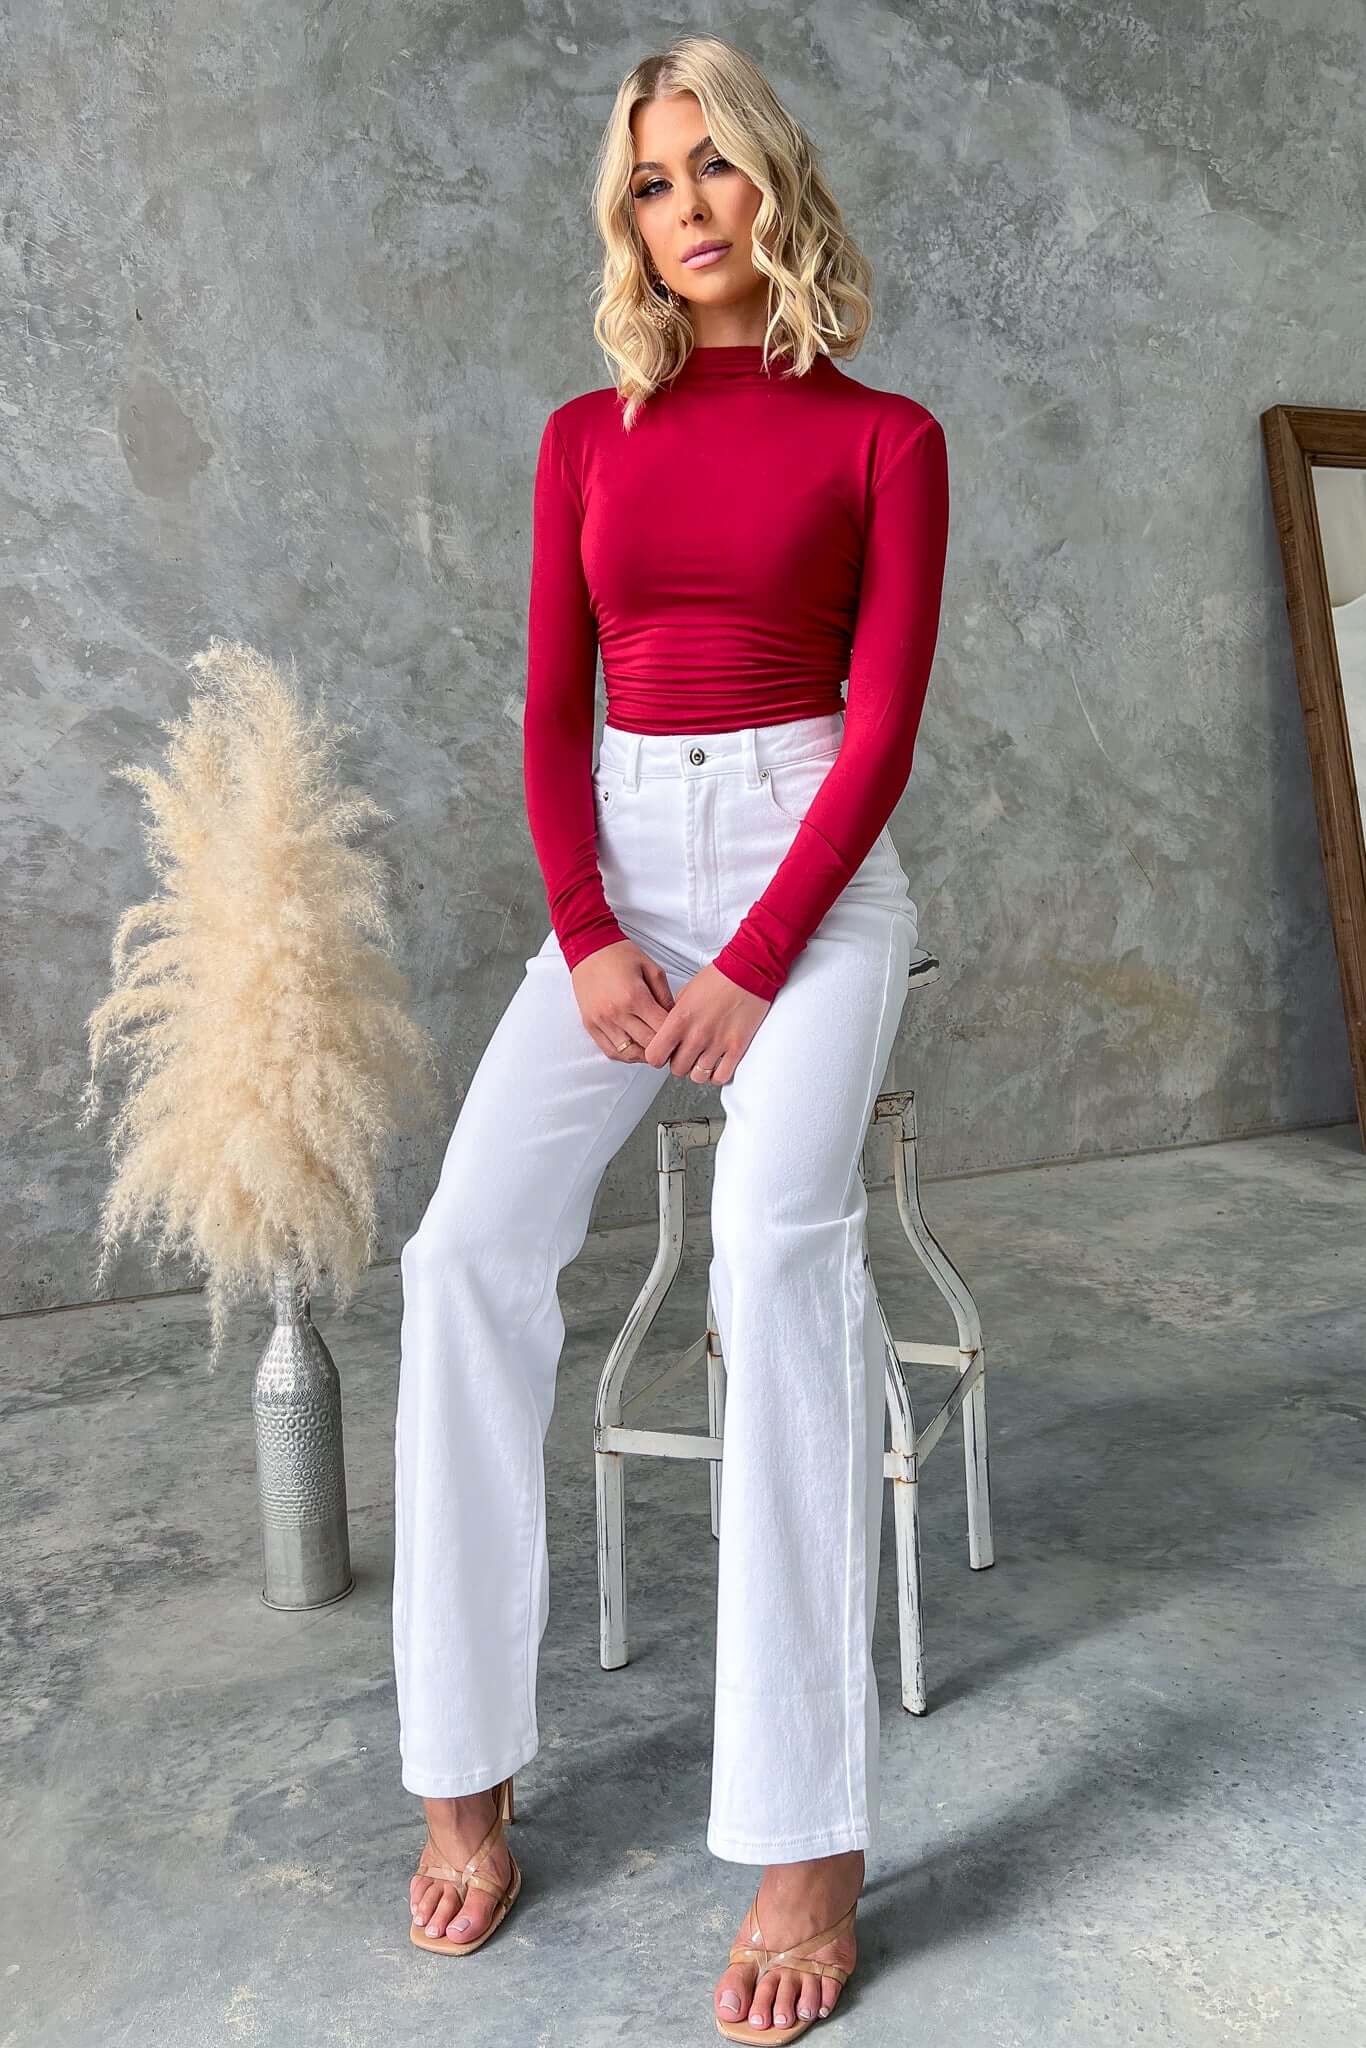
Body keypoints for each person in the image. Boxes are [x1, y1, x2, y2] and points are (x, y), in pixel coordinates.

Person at [393, 31, 949, 2041]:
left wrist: (757, 955)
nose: (686, 206)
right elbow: (553, 709)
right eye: (649, 180)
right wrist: (589, 936)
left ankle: (807, 1838)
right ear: (624, 220)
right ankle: (461, 1762)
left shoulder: (887, 437)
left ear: (769, 181)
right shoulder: (583, 437)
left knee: (772, 1257)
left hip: (810, 868)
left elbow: (880, 731)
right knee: (462, 1252)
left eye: (712, 166)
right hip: (623, 872)